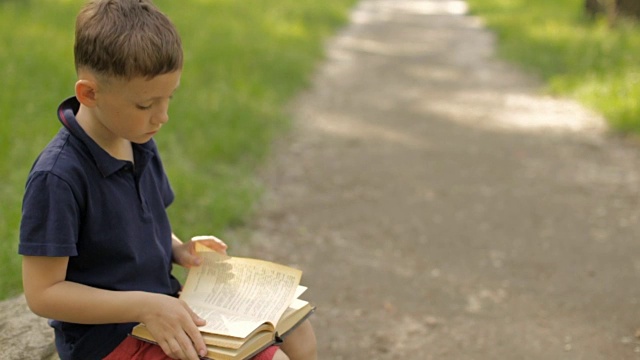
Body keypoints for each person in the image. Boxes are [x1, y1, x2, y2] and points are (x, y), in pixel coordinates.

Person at [18, 1, 317, 359]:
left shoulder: (137, 140)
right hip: (110, 339)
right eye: (146, 105)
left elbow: (143, 222)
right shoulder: (58, 177)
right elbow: (43, 293)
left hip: (161, 309)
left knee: (296, 331)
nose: (163, 116)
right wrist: (146, 307)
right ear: (90, 94)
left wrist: (177, 248)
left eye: (169, 98)